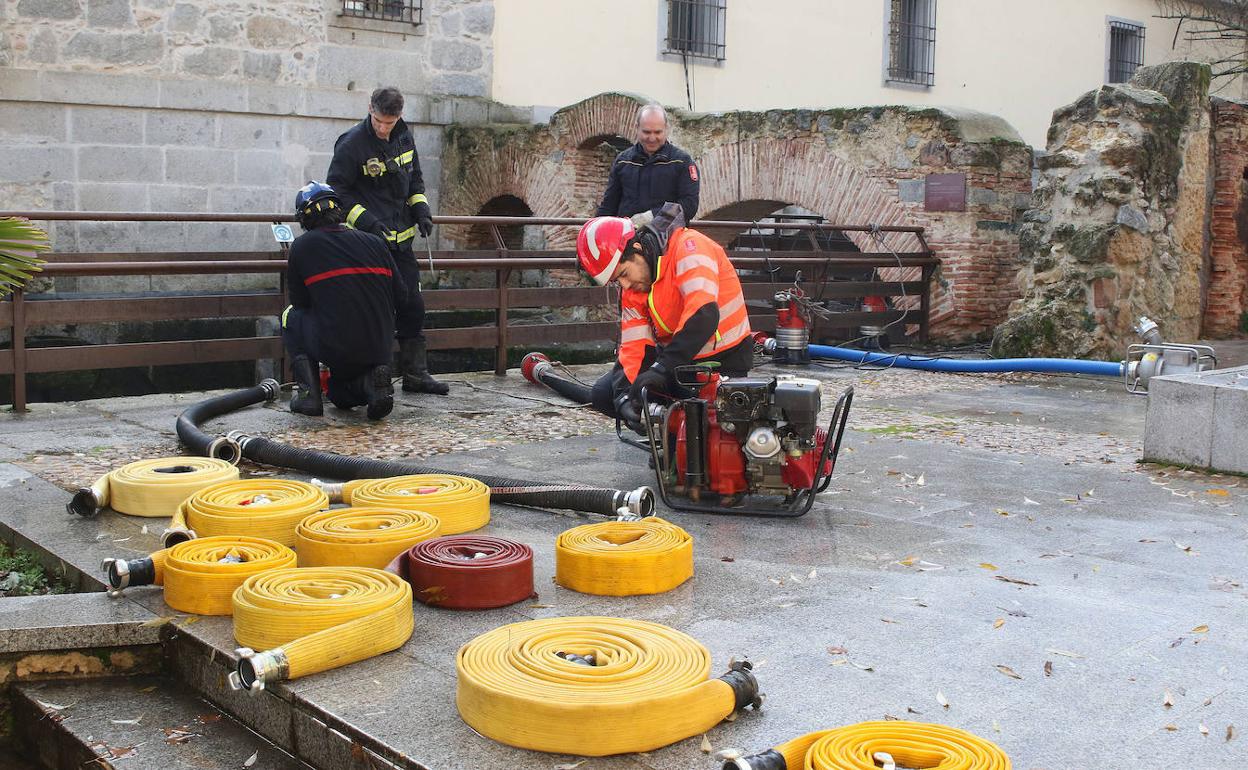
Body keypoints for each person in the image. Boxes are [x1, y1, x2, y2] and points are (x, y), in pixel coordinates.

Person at [577, 203, 752, 428]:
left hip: (723, 361)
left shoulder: (689, 247)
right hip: (679, 362)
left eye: (624, 274)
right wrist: (624, 397)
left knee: (703, 436)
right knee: (603, 394)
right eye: (616, 281)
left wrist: (660, 369)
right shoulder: (634, 286)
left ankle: (675, 430)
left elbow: (703, 315)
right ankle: (665, 426)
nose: (625, 284)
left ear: (638, 248)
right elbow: (634, 347)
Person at [327, 85, 448, 395]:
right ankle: (371, 379)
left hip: (402, 242)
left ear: (399, 116)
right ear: (370, 109)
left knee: (412, 306)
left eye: (389, 123)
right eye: (379, 121)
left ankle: (415, 375)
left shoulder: (405, 138)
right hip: (368, 244)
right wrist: (366, 221)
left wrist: (421, 209)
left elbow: (415, 178)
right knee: (373, 311)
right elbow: (337, 192)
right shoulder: (352, 144)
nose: (383, 129)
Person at [282, 181, 402, 420]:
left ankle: (309, 397)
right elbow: (402, 295)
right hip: (379, 346)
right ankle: (370, 384)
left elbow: (301, 302)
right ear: (339, 210)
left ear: (303, 219)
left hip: (336, 346)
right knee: (339, 396)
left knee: (291, 316)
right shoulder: (375, 242)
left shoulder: (303, 246)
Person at [596, 104, 700, 224]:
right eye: (646, 132)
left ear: (666, 129)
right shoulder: (623, 161)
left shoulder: (682, 162)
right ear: (637, 128)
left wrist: (653, 216)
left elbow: (689, 205)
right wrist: (594, 229)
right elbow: (609, 205)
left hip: (668, 237)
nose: (652, 138)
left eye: (657, 132)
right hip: (628, 237)